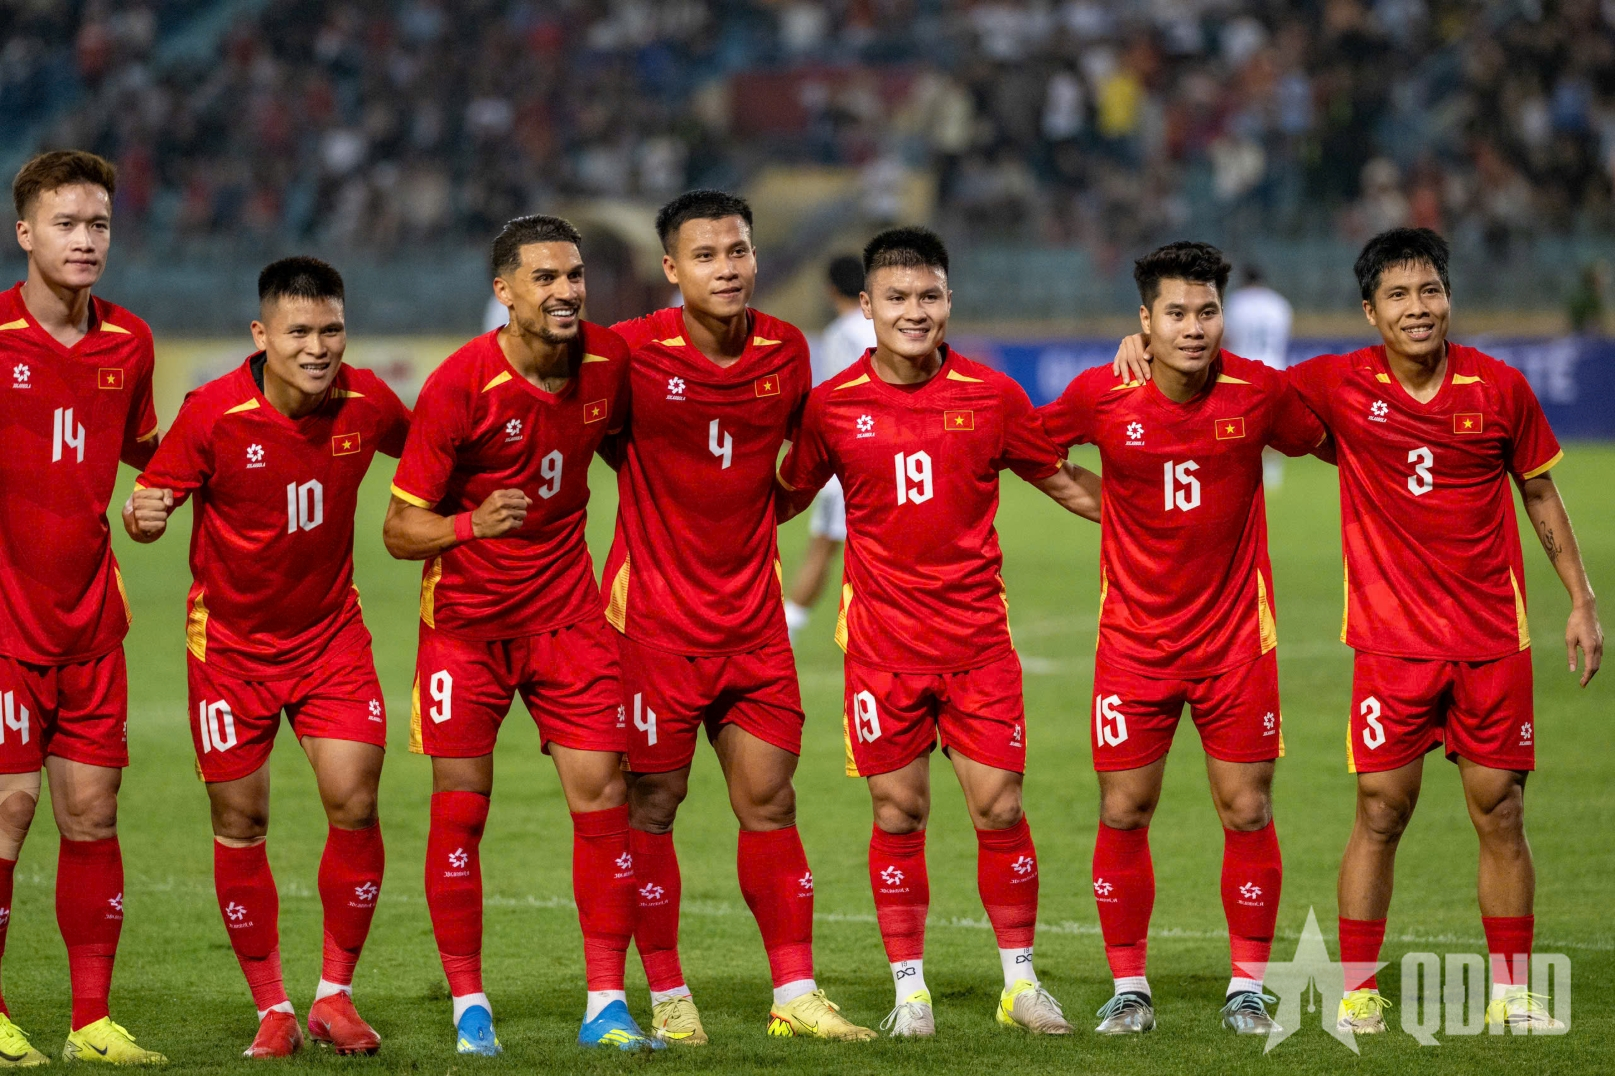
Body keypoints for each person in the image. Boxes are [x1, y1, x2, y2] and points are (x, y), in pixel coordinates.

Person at [776, 227, 1102, 1038]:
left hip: (976, 646)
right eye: (897, 298)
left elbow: (1064, 483)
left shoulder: (991, 396)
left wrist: (1170, 506)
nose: (914, 312)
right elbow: (776, 501)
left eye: (928, 297)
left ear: (948, 301)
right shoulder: (832, 406)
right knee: (897, 813)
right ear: (868, 307)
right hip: (881, 652)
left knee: (998, 808)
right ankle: (910, 990)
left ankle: (1020, 983)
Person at [1285, 228, 1602, 1034]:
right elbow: (1234, 390)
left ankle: (1512, 991)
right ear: (1368, 310)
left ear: (1447, 298)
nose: (1417, 307)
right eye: (1397, 295)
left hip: (1492, 639)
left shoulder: (1497, 387)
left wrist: (1580, 599)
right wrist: (1142, 346)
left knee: (1500, 812)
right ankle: (1356, 990)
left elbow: (1537, 493)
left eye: (1429, 290)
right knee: (1379, 811)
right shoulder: (1334, 383)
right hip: (1390, 647)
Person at [606, 190, 873, 1044]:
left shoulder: (785, 350)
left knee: (770, 799)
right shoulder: (628, 352)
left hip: (752, 623)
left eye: (739, 251)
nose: (727, 268)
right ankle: (669, 994)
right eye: (708, 255)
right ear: (672, 269)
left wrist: (767, 513)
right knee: (653, 804)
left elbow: (804, 462)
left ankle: (793, 991)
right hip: (650, 623)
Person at [382, 215, 652, 1054]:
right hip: (465, 628)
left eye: (573, 275)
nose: (566, 290)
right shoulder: (460, 385)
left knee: (605, 795)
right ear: (505, 292)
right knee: (461, 812)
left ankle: (606, 1004)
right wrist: (469, 527)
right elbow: (397, 529)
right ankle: (470, 1008)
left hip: (567, 618)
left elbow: (627, 449)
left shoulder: (610, 363)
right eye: (545, 277)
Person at [125, 257, 407, 1058]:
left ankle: (334, 996)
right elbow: (154, 500)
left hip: (331, 641)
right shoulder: (213, 413)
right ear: (262, 336)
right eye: (299, 333)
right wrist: (146, 515)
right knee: (240, 821)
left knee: (354, 798)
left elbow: (430, 464)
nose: (318, 348)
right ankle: (273, 1007)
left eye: (331, 330)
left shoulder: (368, 401)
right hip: (232, 653)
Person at [1045, 242, 1326, 1036]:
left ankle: (1246, 985)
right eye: (1175, 313)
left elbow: (1324, 436)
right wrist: (1109, 507)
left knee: (1245, 809)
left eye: (1206, 311)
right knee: (1124, 808)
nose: (1193, 327)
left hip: (1237, 642)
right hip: (1133, 645)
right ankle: (1128, 986)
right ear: (1145, 319)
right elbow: (1033, 451)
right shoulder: (1103, 394)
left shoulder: (1259, 392)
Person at [0, 149, 166, 1065]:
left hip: (92, 621)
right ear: (24, 234)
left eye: (98, 224)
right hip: (4, 623)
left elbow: (144, 449)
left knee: (91, 815)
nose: (85, 240)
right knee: (10, 808)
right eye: (66, 224)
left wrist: (158, 498)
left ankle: (92, 1021)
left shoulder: (130, 342)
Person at [783, 254, 878, 643]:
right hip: (880, 457)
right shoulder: (877, 328)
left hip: (849, 463)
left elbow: (838, 401)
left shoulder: (842, 333)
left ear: (830, 289)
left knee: (825, 547)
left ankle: (783, 631)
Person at [1222, 266, 1294, 489]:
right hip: (1275, 369)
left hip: (1242, 371)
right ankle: (1272, 474)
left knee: (1238, 426)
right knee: (1271, 424)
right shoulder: (1280, 304)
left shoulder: (1235, 303)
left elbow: (1226, 339)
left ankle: (1241, 472)